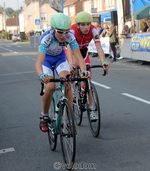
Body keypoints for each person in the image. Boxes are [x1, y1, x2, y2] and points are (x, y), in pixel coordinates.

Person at [35, 13, 89, 132]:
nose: (64, 35)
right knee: (50, 86)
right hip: (46, 61)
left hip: (60, 59)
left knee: (67, 82)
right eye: (60, 32)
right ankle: (44, 115)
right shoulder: (46, 39)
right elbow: (38, 63)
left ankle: (69, 119)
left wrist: (84, 71)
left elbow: (79, 58)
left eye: (66, 32)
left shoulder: (70, 37)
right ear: (53, 29)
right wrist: (41, 75)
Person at [67, 11, 110, 121]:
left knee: (88, 78)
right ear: (77, 25)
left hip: (84, 52)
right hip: (72, 52)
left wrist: (103, 61)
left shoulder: (93, 30)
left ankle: (91, 108)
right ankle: (72, 88)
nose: (86, 27)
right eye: (83, 25)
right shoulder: (72, 31)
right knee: (74, 70)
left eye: (88, 24)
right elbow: (68, 48)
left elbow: (98, 47)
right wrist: (71, 64)